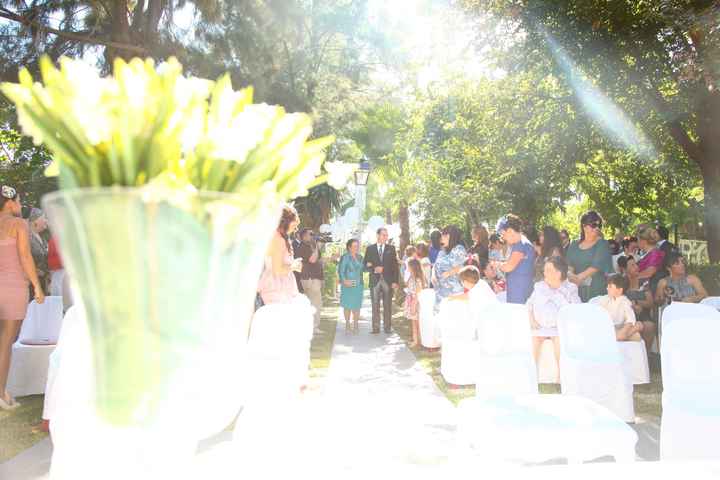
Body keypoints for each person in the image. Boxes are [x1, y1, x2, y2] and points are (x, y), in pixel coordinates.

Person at [0, 186, 45, 410]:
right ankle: (1, 395)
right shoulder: (19, 224)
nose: (20, 205)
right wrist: (37, 286)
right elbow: (25, 256)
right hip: (14, 287)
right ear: (9, 202)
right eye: (18, 201)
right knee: (6, 343)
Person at [526, 257, 581, 382]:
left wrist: (558, 291)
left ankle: (561, 377)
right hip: (539, 326)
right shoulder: (539, 286)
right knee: (534, 339)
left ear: (558, 273)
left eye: (548, 270)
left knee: (559, 341)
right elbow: (529, 304)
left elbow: (574, 309)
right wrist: (532, 320)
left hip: (559, 328)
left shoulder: (571, 288)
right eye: (544, 270)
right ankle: (531, 377)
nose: (544, 273)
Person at [257, 205, 303, 305]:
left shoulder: (278, 237)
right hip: (277, 290)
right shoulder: (277, 239)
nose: (295, 229)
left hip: (281, 288)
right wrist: (293, 266)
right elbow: (277, 270)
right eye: (294, 225)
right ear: (285, 221)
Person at [566, 211, 613, 302]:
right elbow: (569, 267)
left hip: (596, 293)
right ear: (584, 226)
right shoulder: (574, 245)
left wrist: (577, 278)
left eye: (599, 226)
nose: (597, 228)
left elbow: (594, 268)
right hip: (576, 292)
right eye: (594, 225)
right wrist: (571, 276)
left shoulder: (603, 244)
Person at [617, 256, 657, 351]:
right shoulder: (620, 283)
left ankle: (646, 355)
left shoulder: (643, 282)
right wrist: (631, 306)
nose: (636, 267)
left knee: (649, 326)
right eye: (632, 265)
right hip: (625, 316)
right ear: (624, 269)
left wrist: (637, 302)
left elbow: (650, 303)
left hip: (643, 315)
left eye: (636, 264)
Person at [364, 228, 399, 334]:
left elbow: (395, 266)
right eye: (383, 235)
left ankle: (387, 328)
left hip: (388, 281)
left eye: (386, 235)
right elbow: (365, 265)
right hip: (375, 280)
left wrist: (395, 281)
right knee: (375, 305)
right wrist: (374, 268)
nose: (386, 237)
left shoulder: (391, 248)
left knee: (388, 305)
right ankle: (375, 328)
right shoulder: (370, 249)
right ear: (377, 235)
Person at [496, 214, 536, 304]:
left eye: (503, 234)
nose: (503, 237)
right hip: (519, 288)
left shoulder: (521, 244)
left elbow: (509, 267)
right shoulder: (521, 243)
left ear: (510, 231)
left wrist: (497, 264)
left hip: (520, 290)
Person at [595, 274, 644, 341]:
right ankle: (634, 329)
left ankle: (633, 329)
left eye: (610, 287)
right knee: (635, 336)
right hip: (609, 328)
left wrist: (623, 331)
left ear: (619, 290)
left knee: (620, 336)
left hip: (621, 327)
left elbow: (630, 320)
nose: (607, 288)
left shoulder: (625, 302)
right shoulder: (605, 299)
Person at [296, 228, 324, 334]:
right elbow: (312, 260)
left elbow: (318, 261)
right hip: (310, 279)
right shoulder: (303, 247)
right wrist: (317, 247)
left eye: (313, 234)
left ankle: (310, 327)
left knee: (313, 303)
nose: (312, 236)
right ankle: (314, 327)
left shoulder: (311, 246)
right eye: (310, 234)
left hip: (313, 279)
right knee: (316, 303)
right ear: (304, 236)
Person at [432, 225, 467, 307]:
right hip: (441, 292)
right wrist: (433, 274)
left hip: (454, 292)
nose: (441, 240)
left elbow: (461, 266)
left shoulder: (459, 249)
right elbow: (436, 264)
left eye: (442, 236)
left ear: (448, 236)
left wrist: (450, 272)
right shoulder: (442, 251)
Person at [338, 239, 364, 334]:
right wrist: (344, 281)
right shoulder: (345, 257)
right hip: (347, 284)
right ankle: (347, 324)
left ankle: (356, 324)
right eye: (354, 246)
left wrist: (369, 266)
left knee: (356, 306)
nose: (356, 248)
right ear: (349, 247)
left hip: (358, 284)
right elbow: (341, 270)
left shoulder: (360, 257)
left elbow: (364, 268)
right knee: (347, 305)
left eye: (357, 246)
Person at [635, 224, 666, 291]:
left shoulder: (655, 254)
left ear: (643, 241)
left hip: (648, 289)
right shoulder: (648, 253)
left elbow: (649, 273)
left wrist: (632, 277)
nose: (637, 242)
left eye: (638, 240)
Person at [405, 258, 426, 347]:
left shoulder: (418, 279)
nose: (407, 268)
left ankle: (419, 341)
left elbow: (417, 293)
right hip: (411, 300)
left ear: (413, 267)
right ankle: (416, 340)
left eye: (408, 267)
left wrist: (413, 305)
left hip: (416, 302)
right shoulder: (412, 277)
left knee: (417, 323)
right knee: (414, 323)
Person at [28, 208, 49, 293]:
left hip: (43, 282)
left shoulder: (42, 238)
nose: (46, 221)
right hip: (31, 284)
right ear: (35, 221)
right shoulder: (27, 237)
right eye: (43, 218)